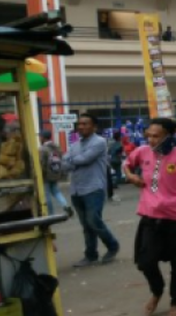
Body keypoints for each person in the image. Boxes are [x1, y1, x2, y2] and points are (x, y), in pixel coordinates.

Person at [123, 118, 176, 316]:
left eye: (155, 136)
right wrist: (131, 176)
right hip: (151, 217)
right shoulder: (142, 152)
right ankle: (157, 290)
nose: (150, 139)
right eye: (148, 135)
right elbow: (127, 163)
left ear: (168, 135)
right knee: (146, 261)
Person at [63, 114, 120, 267]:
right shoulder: (75, 145)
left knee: (93, 221)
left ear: (94, 127)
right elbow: (65, 164)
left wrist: (70, 161)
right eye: (79, 124)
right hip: (76, 190)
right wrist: (70, 161)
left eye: (85, 124)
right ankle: (91, 255)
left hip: (93, 189)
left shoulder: (100, 142)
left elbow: (83, 160)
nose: (80, 127)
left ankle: (113, 245)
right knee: (86, 226)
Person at [39, 130, 72, 217]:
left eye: (40, 137)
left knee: (46, 195)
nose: (39, 138)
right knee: (56, 191)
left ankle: (50, 214)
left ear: (43, 138)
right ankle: (66, 205)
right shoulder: (57, 147)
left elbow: (41, 163)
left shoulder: (42, 149)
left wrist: (40, 174)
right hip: (55, 173)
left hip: (46, 175)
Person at [108, 132, 123, 202]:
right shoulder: (120, 144)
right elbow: (119, 153)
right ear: (119, 137)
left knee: (111, 173)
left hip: (111, 160)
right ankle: (114, 184)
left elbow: (109, 152)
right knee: (119, 174)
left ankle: (112, 183)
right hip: (117, 160)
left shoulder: (111, 144)